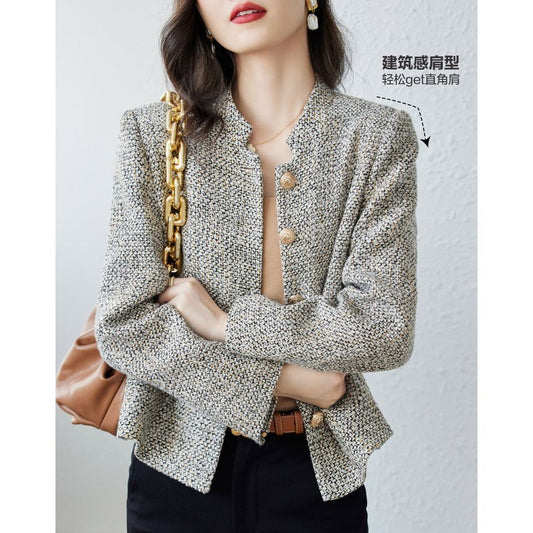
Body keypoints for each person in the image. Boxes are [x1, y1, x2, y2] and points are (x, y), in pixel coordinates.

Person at [94, 1, 419, 531]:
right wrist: (287, 380)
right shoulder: (154, 134)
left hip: (314, 475)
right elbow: (125, 327)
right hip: (176, 470)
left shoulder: (377, 136)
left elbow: (384, 330)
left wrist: (227, 324)